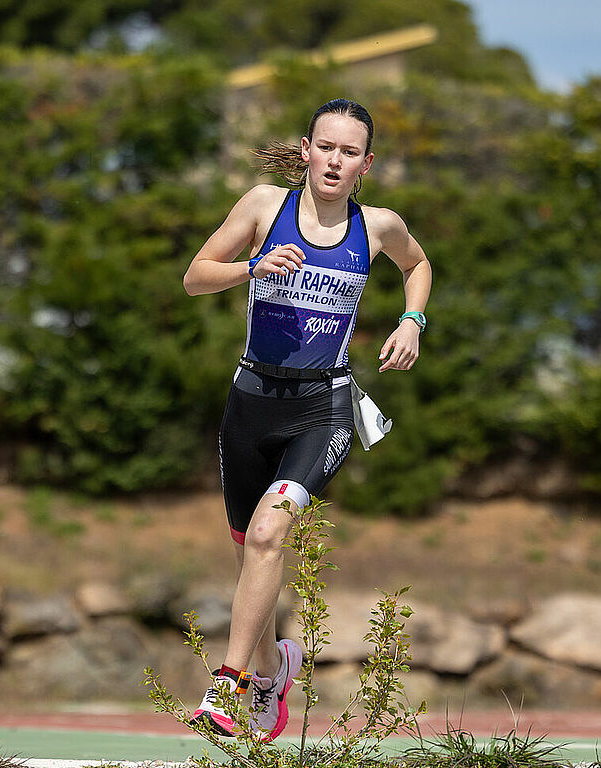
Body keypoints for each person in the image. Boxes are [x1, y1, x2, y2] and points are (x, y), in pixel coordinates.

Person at [181, 98, 430, 740]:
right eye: (325, 147)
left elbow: (418, 264)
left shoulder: (376, 227)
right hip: (251, 403)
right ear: (305, 149)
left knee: (269, 536)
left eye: (349, 153)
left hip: (325, 408)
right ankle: (272, 674)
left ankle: (227, 687)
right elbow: (195, 277)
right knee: (251, 555)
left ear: (365, 164)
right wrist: (251, 268)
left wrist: (413, 320)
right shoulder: (265, 206)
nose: (334, 160)